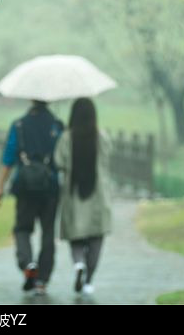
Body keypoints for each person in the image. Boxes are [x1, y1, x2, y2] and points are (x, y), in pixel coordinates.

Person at [0, 100, 63, 295]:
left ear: (31, 100)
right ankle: (42, 280)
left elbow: (8, 158)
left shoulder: (19, 125)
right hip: (50, 187)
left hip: (24, 187)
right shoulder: (57, 126)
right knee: (48, 232)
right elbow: (64, 158)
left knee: (22, 228)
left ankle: (28, 263)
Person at [54, 97, 112, 295]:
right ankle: (88, 281)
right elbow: (107, 158)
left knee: (76, 236)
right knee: (96, 237)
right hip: (98, 195)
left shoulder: (66, 138)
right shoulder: (101, 137)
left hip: (74, 193)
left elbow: (58, 162)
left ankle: (79, 264)